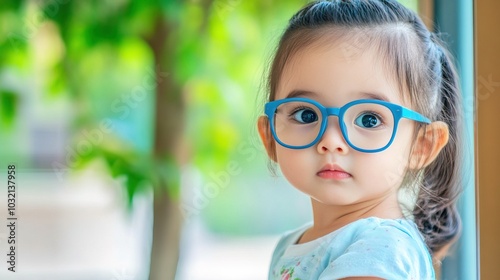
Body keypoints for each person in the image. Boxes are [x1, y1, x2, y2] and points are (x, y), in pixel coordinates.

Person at [257, 0, 463, 279]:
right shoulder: (292, 244)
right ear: (270, 136)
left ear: (422, 145)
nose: (331, 141)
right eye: (305, 114)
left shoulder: (382, 251)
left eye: (369, 119)